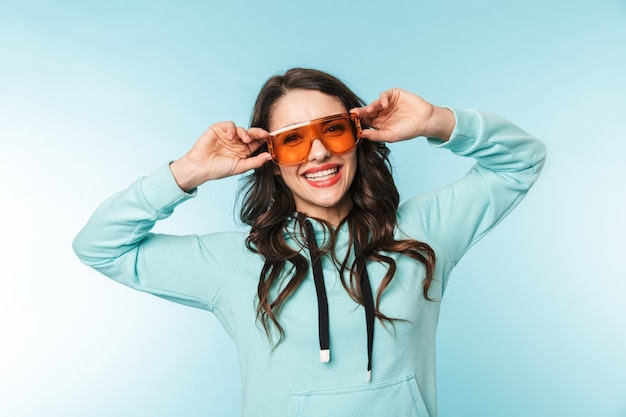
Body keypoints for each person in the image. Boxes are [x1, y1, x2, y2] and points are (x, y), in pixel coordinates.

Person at [73, 67, 546, 417]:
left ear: (358, 136)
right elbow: (99, 245)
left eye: (333, 130)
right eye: (294, 140)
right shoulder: (235, 263)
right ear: (271, 158)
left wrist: (436, 121)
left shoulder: (423, 232)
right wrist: (187, 172)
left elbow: (522, 160)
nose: (318, 152)